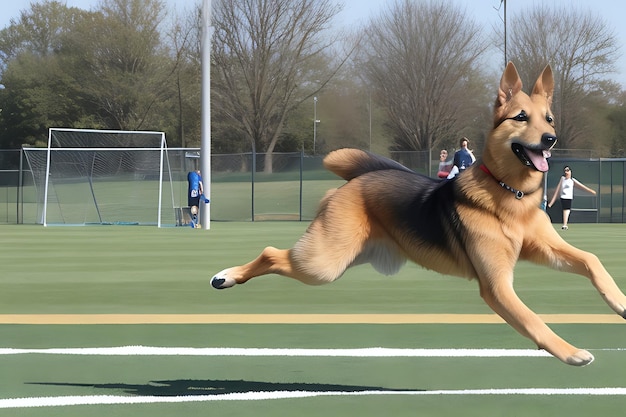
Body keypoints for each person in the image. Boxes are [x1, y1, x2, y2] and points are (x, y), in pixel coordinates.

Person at [548, 165, 597, 230]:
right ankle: (564, 224)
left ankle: (565, 224)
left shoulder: (572, 181)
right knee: (565, 210)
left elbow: (582, 187)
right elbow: (557, 190)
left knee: (566, 210)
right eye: (565, 170)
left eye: (568, 170)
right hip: (562, 198)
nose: (566, 172)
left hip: (569, 198)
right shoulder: (562, 179)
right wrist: (551, 202)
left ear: (570, 171)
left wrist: (591, 191)